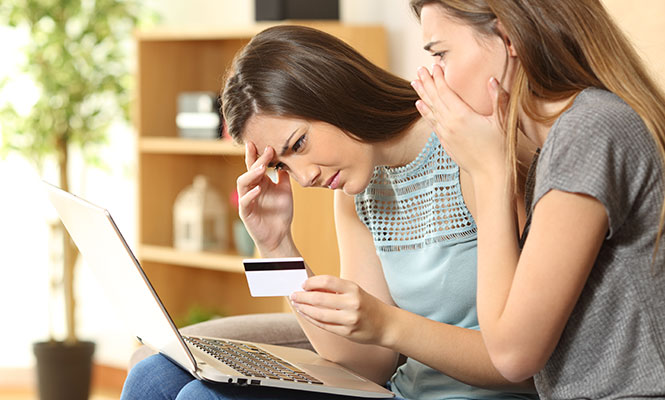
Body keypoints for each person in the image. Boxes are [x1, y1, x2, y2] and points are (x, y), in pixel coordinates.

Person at [121, 25, 538, 399]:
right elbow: (366, 365)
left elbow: (522, 362)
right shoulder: (358, 191)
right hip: (398, 393)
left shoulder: (471, 152)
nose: (303, 179)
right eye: (282, 165)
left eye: (298, 144)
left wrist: (387, 322)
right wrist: (276, 247)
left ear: (334, 92)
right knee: (152, 377)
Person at [409, 0, 665, 398]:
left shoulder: (590, 129)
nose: (433, 76)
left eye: (441, 53)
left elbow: (512, 355)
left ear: (508, 36)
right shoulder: (563, 138)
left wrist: (490, 172)